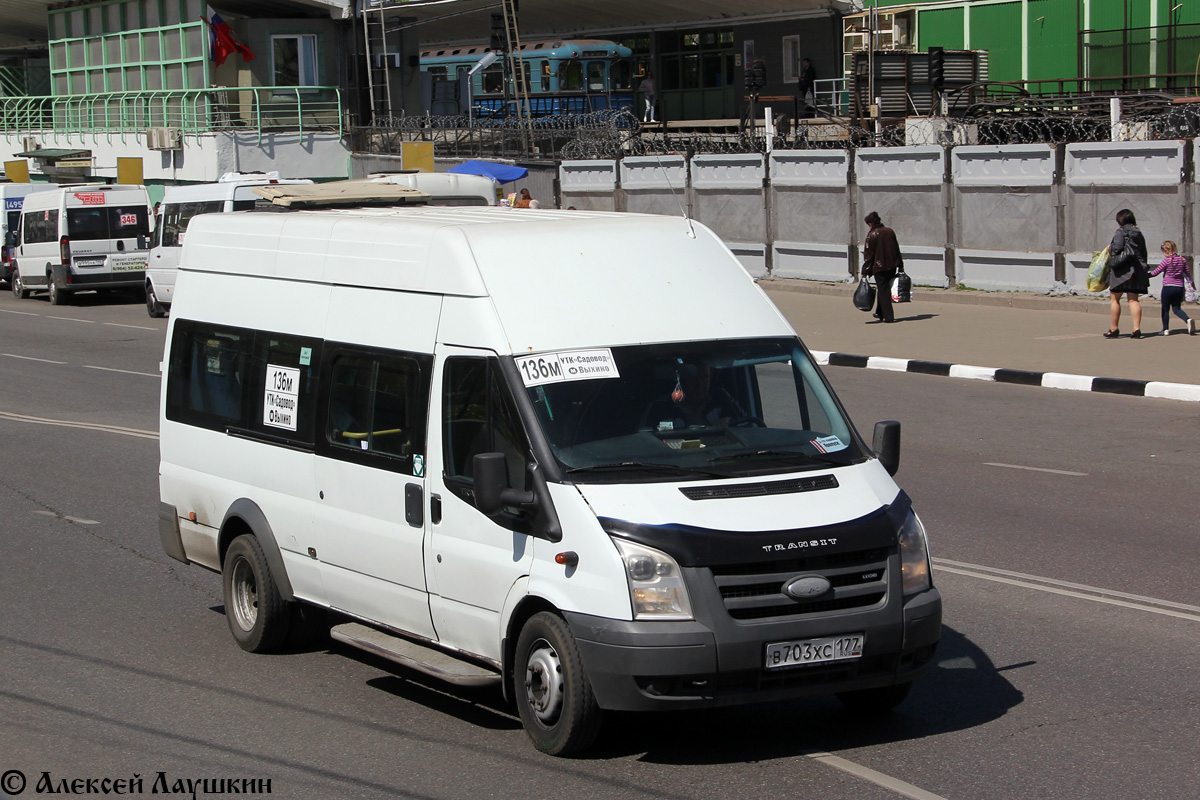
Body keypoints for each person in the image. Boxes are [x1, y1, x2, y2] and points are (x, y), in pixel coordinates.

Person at [1104, 208, 1149, 339]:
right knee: (1134, 300)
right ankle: (1136, 329)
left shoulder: (1120, 232)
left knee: (1115, 299)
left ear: (1120, 221)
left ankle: (1114, 329)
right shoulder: (1138, 233)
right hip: (1136, 271)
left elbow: (1117, 248)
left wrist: (1110, 247)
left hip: (1121, 271)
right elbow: (1143, 253)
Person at [862, 211, 903, 323]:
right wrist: (900, 265)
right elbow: (896, 249)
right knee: (883, 289)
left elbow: (868, 255)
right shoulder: (890, 231)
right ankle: (880, 313)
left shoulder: (871, 235)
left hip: (879, 267)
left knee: (884, 290)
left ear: (870, 224)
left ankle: (888, 316)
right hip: (892, 265)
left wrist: (865, 271)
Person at [1149, 240, 1195, 335]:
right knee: (1176, 308)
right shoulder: (1182, 260)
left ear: (1166, 250)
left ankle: (1165, 329)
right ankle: (1187, 320)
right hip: (1179, 288)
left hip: (1167, 288)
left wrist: (1145, 276)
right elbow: (1188, 273)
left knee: (1165, 309)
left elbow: (1155, 272)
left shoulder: (1166, 261)